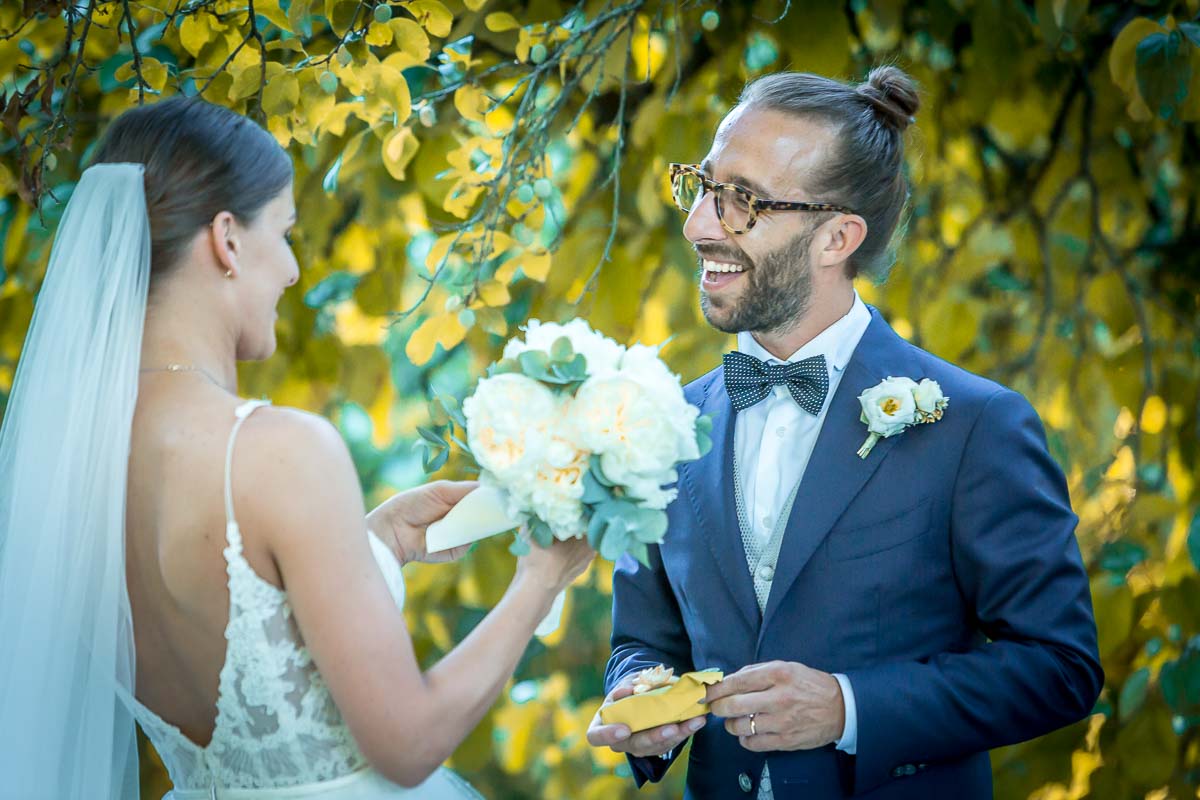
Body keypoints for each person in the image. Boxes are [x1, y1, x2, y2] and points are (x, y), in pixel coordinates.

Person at [0, 96, 593, 799]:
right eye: (283, 235)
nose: (291, 270)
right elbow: (407, 743)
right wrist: (543, 578)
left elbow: (247, 630)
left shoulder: (72, 468)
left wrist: (379, 543)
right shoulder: (279, 449)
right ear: (226, 239)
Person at [586, 67, 1103, 798]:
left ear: (837, 237)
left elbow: (1060, 666)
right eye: (701, 186)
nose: (699, 223)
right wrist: (639, 691)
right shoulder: (663, 426)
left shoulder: (975, 425)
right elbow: (646, 640)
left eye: (741, 200)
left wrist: (848, 708)